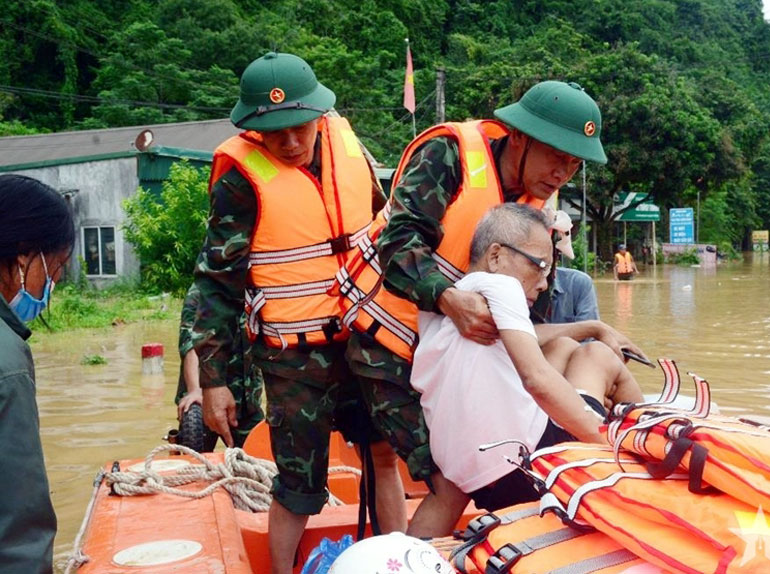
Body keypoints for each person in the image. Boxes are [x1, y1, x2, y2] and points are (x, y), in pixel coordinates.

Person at [335, 80, 647, 536]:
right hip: (387, 341)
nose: (563, 171)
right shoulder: (450, 155)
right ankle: (403, 562)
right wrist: (448, 298)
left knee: (454, 484)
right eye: (556, 155)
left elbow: (529, 323)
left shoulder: (531, 210)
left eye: (574, 163)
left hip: (452, 350)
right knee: (443, 481)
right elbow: (397, 244)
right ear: (518, 136)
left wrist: (590, 327)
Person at [190, 52, 405, 574]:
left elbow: (387, 230)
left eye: (298, 127)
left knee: (383, 456)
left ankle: (403, 561)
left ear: (319, 116)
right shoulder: (239, 179)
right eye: (273, 132)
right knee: (297, 484)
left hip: (364, 339)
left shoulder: (347, 147)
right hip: (293, 360)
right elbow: (216, 285)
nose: (288, 142)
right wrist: (213, 382)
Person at [411, 204, 643, 517]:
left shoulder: (447, 303)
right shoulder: (503, 286)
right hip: (527, 467)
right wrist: (609, 438)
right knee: (597, 355)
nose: (544, 283)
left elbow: (533, 340)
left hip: (470, 476)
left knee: (562, 346)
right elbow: (536, 380)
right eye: (539, 266)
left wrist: (593, 327)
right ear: (496, 256)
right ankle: (648, 443)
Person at [0, 174, 75, 573]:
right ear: (23, 257)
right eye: (56, 266)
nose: (54, 283)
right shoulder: (7, 362)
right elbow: (19, 530)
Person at [174, 282, 263, 450]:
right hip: (205, 398)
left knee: (257, 462)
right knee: (197, 466)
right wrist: (195, 390)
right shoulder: (204, 290)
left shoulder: (258, 289)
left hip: (246, 403)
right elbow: (191, 343)